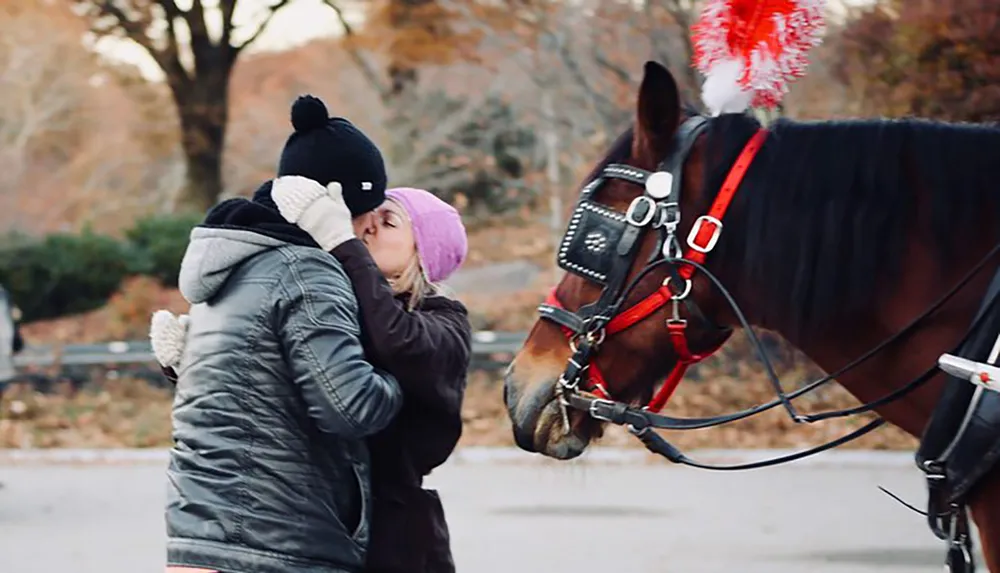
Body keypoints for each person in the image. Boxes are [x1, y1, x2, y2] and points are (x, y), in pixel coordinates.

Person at [153, 94, 404, 573]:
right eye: (369, 210)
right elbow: (350, 406)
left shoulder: (231, 265)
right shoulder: (309, 271)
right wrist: (399, 375)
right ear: (336, 203)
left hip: (198, 536)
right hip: (276, 541)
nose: (371, 225)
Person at [270, 178, 472, 573]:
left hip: (395, 536)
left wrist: (342, 244)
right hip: (314, 520)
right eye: (369, 215)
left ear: (424, 252)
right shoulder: (338, 305)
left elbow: (398, 342)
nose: (368, 226)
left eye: (390, 221)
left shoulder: (446, 320)